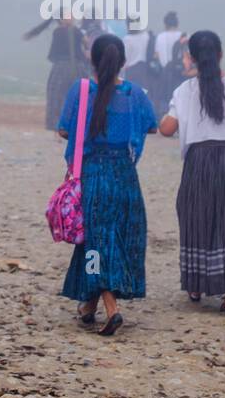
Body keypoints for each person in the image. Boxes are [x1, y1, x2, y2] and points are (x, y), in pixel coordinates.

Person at [57, 34, 158, 336]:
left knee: (97, 242)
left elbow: (64, 129)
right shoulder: (134, 93)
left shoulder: (81, 90)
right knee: (109, 239)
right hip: (125, 174)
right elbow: (151, 126)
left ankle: (111, 309)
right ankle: (89, 305)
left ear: (92, 59)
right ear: (123, 61)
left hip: (93, 174)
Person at [158, 30, 225, 315]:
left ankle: (196, 284)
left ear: (191, 58)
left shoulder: (184, 90)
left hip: (199, 163)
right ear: (221, 54)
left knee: (196, 220)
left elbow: (166, 129)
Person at [24, 14, 89, 131]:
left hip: (60, 68)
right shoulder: (75, 31)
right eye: (70, 16)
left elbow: (53, 54)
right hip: (77, 68)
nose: (73, 18)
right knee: (80, 96)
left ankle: (57, 125)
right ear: (62, 19)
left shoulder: (57, 32)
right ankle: (79, 124)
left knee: (57, 97)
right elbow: (86, 43)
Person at [150, 11, 186, 118]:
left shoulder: (160, 36)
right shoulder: (183, 36)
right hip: (180, 72)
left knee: (165, 97)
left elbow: (156, 55)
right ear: (177, 24)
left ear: (165, 24)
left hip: (164, 71)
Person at [122, 16, 154, 87]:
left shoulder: (127, 39)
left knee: (131, 95)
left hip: (131, 71)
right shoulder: (146, 36)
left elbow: (125, 59)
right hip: (144, 70)